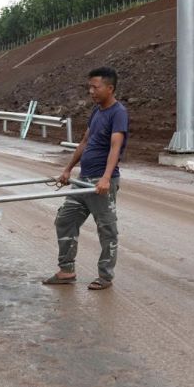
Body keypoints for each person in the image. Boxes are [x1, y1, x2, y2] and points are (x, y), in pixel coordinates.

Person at [43, 66, 128, 291]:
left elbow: (115, 146)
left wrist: (106, 178)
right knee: (65, 219)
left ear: (110, 88)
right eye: (89, 87)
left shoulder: (118, 112)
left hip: (100, 182)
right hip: (83, 180)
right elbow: (84, 142)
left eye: (95, 87)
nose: (90, 91)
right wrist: (68, 169)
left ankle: (105, 276)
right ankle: (67, 270)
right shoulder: (97, 111)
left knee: (106, 229)